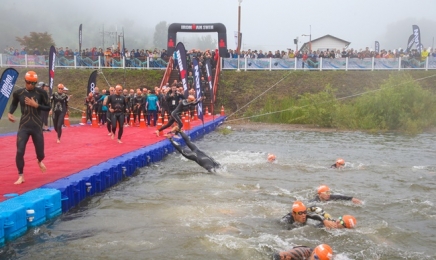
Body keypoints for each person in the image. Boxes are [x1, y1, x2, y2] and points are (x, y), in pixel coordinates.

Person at [7, 71, 50, 184]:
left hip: (36, 126)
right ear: (25, 81)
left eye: (33, 83)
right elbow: (14, 104)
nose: (31, 85)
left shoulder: (41, 93)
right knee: (20, 151)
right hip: (24, 126)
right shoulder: (19, 93)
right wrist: (10, 113)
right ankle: (21, 175)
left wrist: (36, 105)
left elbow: (48, 107)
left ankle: (39, 161)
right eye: (29, 82)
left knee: (41, 154)